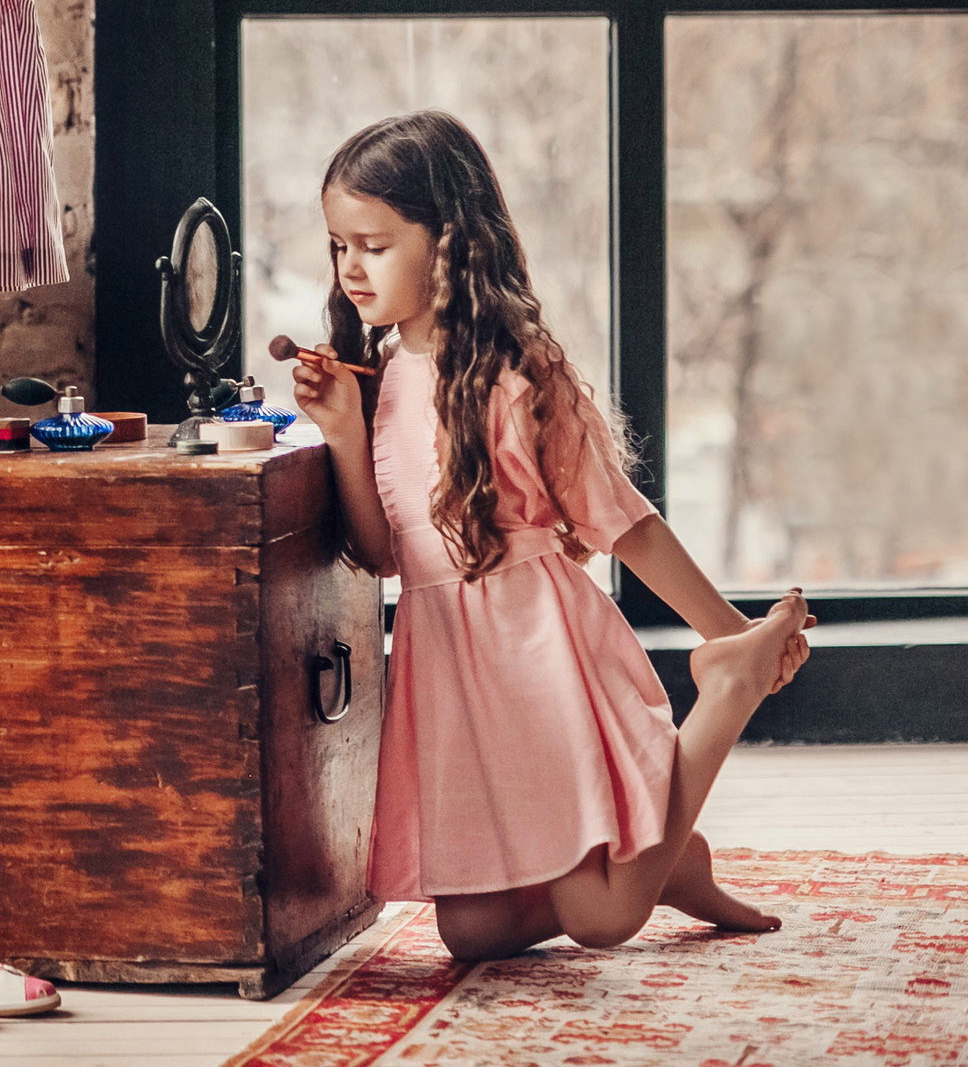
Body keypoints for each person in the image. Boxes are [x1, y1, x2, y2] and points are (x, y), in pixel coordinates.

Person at [291, 110, 815, 961]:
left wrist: (727, 628)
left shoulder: (516, 370)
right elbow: (385, 555)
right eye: (339, 245)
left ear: (448, 242)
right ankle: (667, 864)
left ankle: (730, 686)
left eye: (374, 245)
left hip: (532, 654)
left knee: (601, 919)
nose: (350, 266)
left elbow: (623, 520)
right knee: (471, 932)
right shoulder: (381, 376)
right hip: (449, 666)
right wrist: (344, 430)